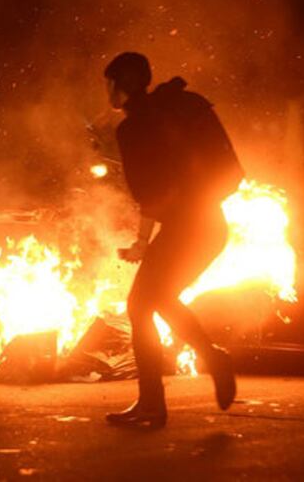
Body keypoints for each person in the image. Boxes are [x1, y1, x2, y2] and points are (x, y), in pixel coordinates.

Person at [104, 52, 242, 428]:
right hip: (212, 225)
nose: (107, 92)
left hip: (185, 228)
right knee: (158, 299)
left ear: (120, 86)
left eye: (110, 83)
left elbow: (152, 193)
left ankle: (154, 402)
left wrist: (141, 241)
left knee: (139, 306)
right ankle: (212, 360)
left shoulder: (134, 128)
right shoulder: (181, 106)